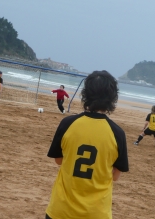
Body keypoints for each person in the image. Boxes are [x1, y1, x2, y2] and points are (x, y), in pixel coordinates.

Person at [45, 71, 129, 219]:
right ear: (112, 98)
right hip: (97, 213)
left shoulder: (68, 123)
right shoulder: (117, 133)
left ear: (86, 94)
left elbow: (58, 160)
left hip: (61, 210)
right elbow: (115, 176)